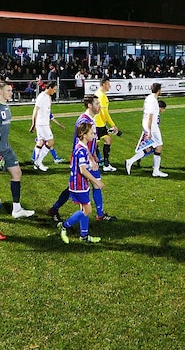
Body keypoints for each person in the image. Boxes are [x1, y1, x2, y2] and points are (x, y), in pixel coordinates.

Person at [47, 94, 115, 223]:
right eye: (96, 104)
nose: (99, 106)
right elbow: (79, 144)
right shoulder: (84, 122)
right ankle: (59, 212)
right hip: (82, 160)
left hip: (89, 158)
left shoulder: (91, 120)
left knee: (91, 185)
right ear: (89, 105)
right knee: (76, 188)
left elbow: (92, 142)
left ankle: (99, 214)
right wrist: (90, 159)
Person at [0, 80, 35, 218]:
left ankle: (17, 209)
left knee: (17, 173)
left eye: (11, 90)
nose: (11, 92)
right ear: (0, 91)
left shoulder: (6, 107)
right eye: (8, 90)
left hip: (6, 149)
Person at [58, 121, 104, 244]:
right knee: (87, 210)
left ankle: (84, 236)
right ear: (83, 134)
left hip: (81, 184)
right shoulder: (81, 150)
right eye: (91, 133)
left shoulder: (82, 147)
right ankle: (64, 225)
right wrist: (96, 182)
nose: (94, 135)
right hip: (79, 185)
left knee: (85, 209)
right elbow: (82, 170)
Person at [125, 83, 168, 177]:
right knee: (159, 147)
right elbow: (150, 116)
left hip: (147, 125)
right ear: (159, 90)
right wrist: (149, 131)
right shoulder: (153, 101)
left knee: (151, 147)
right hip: (152, 128)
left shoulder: (148, 98)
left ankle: (131, 161)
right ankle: (155, 170)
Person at [29, 81, 65, 171]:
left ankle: (37, 162)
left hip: (44, 123)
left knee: (40, 142)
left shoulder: (48, 97)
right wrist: (33, 124)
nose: (55, 91)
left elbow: (46, 112)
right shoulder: (42, 96)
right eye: (54, 89)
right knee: (50, 142)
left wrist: (48, 122)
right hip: (41, 124)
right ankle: (38, 162)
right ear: (50, 88)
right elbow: (35, 110)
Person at [95, 77, 120, 172]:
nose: (110, 86)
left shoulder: (98, 94)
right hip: (98, 124)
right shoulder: (102, 96)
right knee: (93, 146)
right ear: (104, 84)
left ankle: (105, 164)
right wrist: (113, 125)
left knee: (108, 140)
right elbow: (104, 112)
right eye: (108, 84)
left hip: (99, 123)